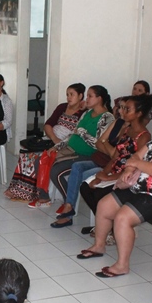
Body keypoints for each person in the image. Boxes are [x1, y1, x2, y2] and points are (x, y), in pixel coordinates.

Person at [86, 112, 152, 276]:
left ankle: (122, 265)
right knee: (104, 205)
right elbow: (135, 156)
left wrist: (138, 164)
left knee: (122, 218)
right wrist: (130, 169)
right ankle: (99, 246)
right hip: (138, 189)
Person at [57, 94, 152, 230]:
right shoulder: (126, 130)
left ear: (138, 113)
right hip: (115, 170)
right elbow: (115, 156)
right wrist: (104, 173)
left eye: (128, 109)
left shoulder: (144, 136)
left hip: (127, 176)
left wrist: (109, 177)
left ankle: (108, 227)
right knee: (86, 187)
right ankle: (105, 226)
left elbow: (133, 167)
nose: (123, 112)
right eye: (123, 108)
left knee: (99, 193)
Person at [5, 83, 86, 203]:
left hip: (65, 145)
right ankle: (18, 189)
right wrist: (54, 139)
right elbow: (48, 124)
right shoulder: (62, 107)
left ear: (80, 96)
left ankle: (34, 193)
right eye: (67, 95)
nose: (68, 97)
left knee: (37, 158)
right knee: (26, 155)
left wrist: (59, 143)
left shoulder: (83, 113)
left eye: (72, 95)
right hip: (52, 139)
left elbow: (76, 134)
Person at [50, 85, 115, 221]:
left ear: (99, 98)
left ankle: (69, 204)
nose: (87, 99)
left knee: (56, 172)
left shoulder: (107, 118)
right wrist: (58, 145)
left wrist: (82, 133)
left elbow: (98, 144)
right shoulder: (86, 113)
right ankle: (61, 199)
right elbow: (72, 134)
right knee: (47, 160)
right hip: (71, 150)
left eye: (90, 96)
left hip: (87, 154)